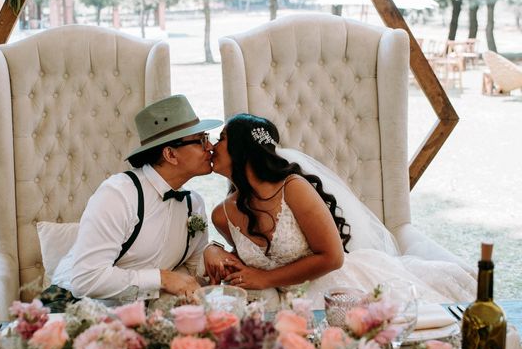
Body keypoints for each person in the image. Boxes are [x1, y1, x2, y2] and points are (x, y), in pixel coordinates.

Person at [203, 113, 476, 308]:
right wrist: (213, 249)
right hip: (281, 305)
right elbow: (248, 262)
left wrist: (265, 279)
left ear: (242, 148)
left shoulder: (293, 188)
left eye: (222, 138)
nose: (213, 146)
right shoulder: (222, 215)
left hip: (337, 288)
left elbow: (333, 257)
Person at [54, 95, 222, 303]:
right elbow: (86, 280)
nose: (210, 147)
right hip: (69, 303)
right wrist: (163, 278)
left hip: (139, 313)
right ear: (170, 154)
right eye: (201, 140)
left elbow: (195, 267)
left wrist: (215, 252)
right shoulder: (118, 195)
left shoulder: (193, 203)